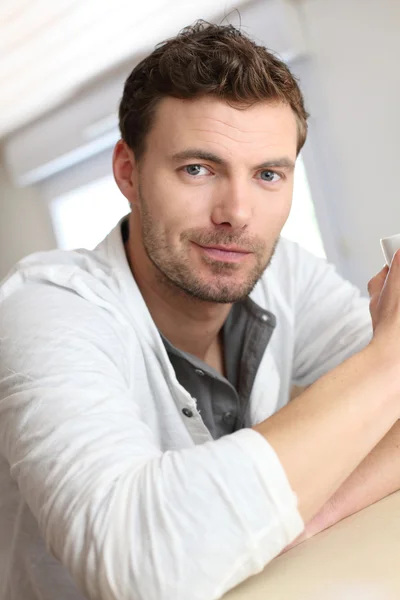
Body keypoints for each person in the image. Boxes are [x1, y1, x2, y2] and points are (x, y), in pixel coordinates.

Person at [0, 20, 399, 600]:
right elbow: (142, 568)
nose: (237, 213)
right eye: (198, 169)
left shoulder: (285, 271)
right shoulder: (42, 311)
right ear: (128, 173)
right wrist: (389, 360)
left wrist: (290, 523)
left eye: (267, 175)